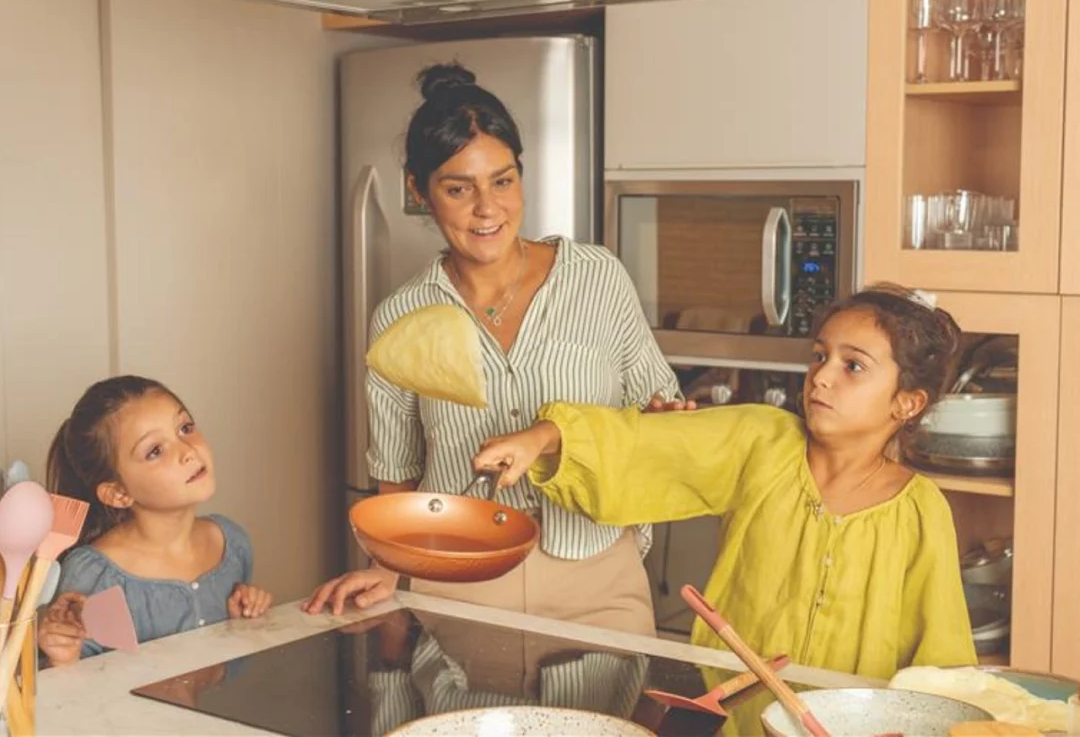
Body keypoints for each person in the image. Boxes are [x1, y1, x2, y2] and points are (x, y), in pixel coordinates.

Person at [303, 61, 687, 636]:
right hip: (457, 580)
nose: (488, 209)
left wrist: (660, 421)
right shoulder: (400, 318)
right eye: (459, 189)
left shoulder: (597, 278)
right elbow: (396, 474)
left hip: (597, 573)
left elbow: (656, 411)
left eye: (502, 181)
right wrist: (386, 567)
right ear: (418, 190)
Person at [471, 283, 978, 681]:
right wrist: (545, 437)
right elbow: (643, 445)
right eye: (819, 356)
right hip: (740, 718)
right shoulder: (761, 441)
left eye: (853, 366)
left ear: (907, 403)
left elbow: (943, 657)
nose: (821, 377)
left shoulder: (920, 511)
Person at [37, 375, 272, 664]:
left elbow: (229, 670)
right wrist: (62, 658)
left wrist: (246, 618)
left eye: (185, 428)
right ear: (119, 493)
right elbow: (77, 690)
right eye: (155, 451)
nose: (188, 451)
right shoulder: (97, 577)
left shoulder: (231, 542)